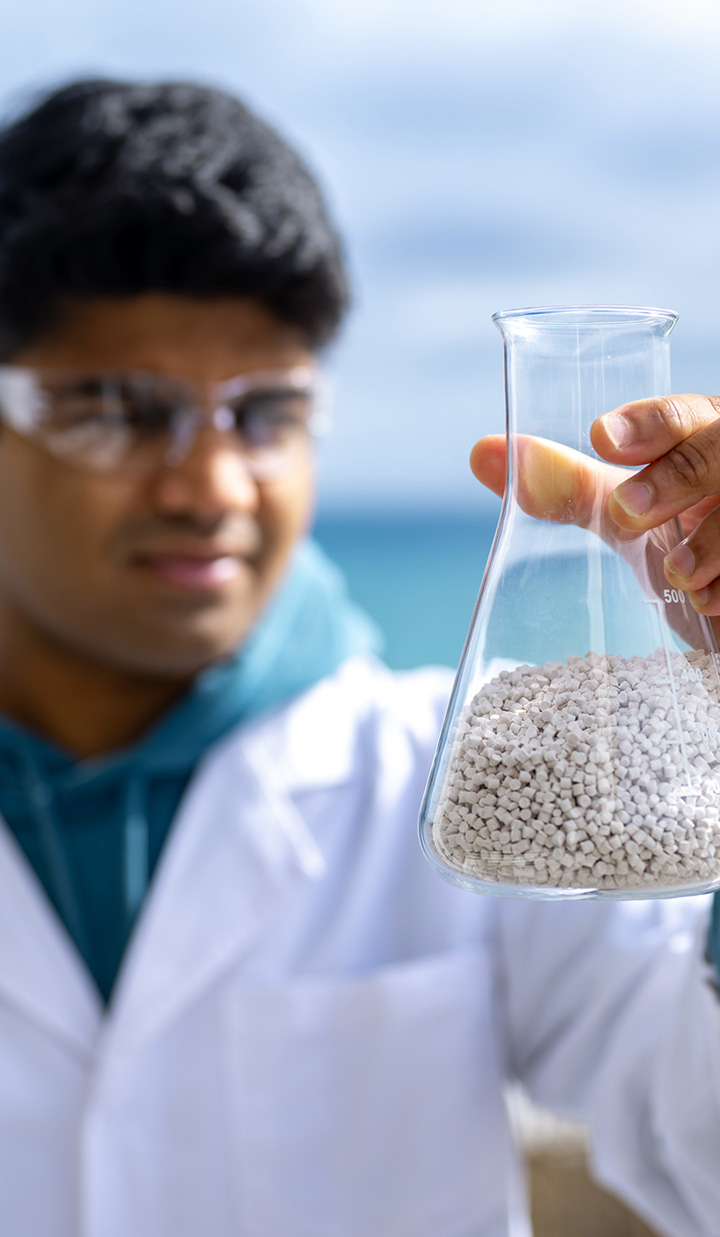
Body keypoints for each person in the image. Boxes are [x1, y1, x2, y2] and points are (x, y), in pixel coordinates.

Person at [0, 76, 718, 1237]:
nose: (212, 486)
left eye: (265, 412)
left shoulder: (456, 778)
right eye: (120, 410)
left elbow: (702, 1152)